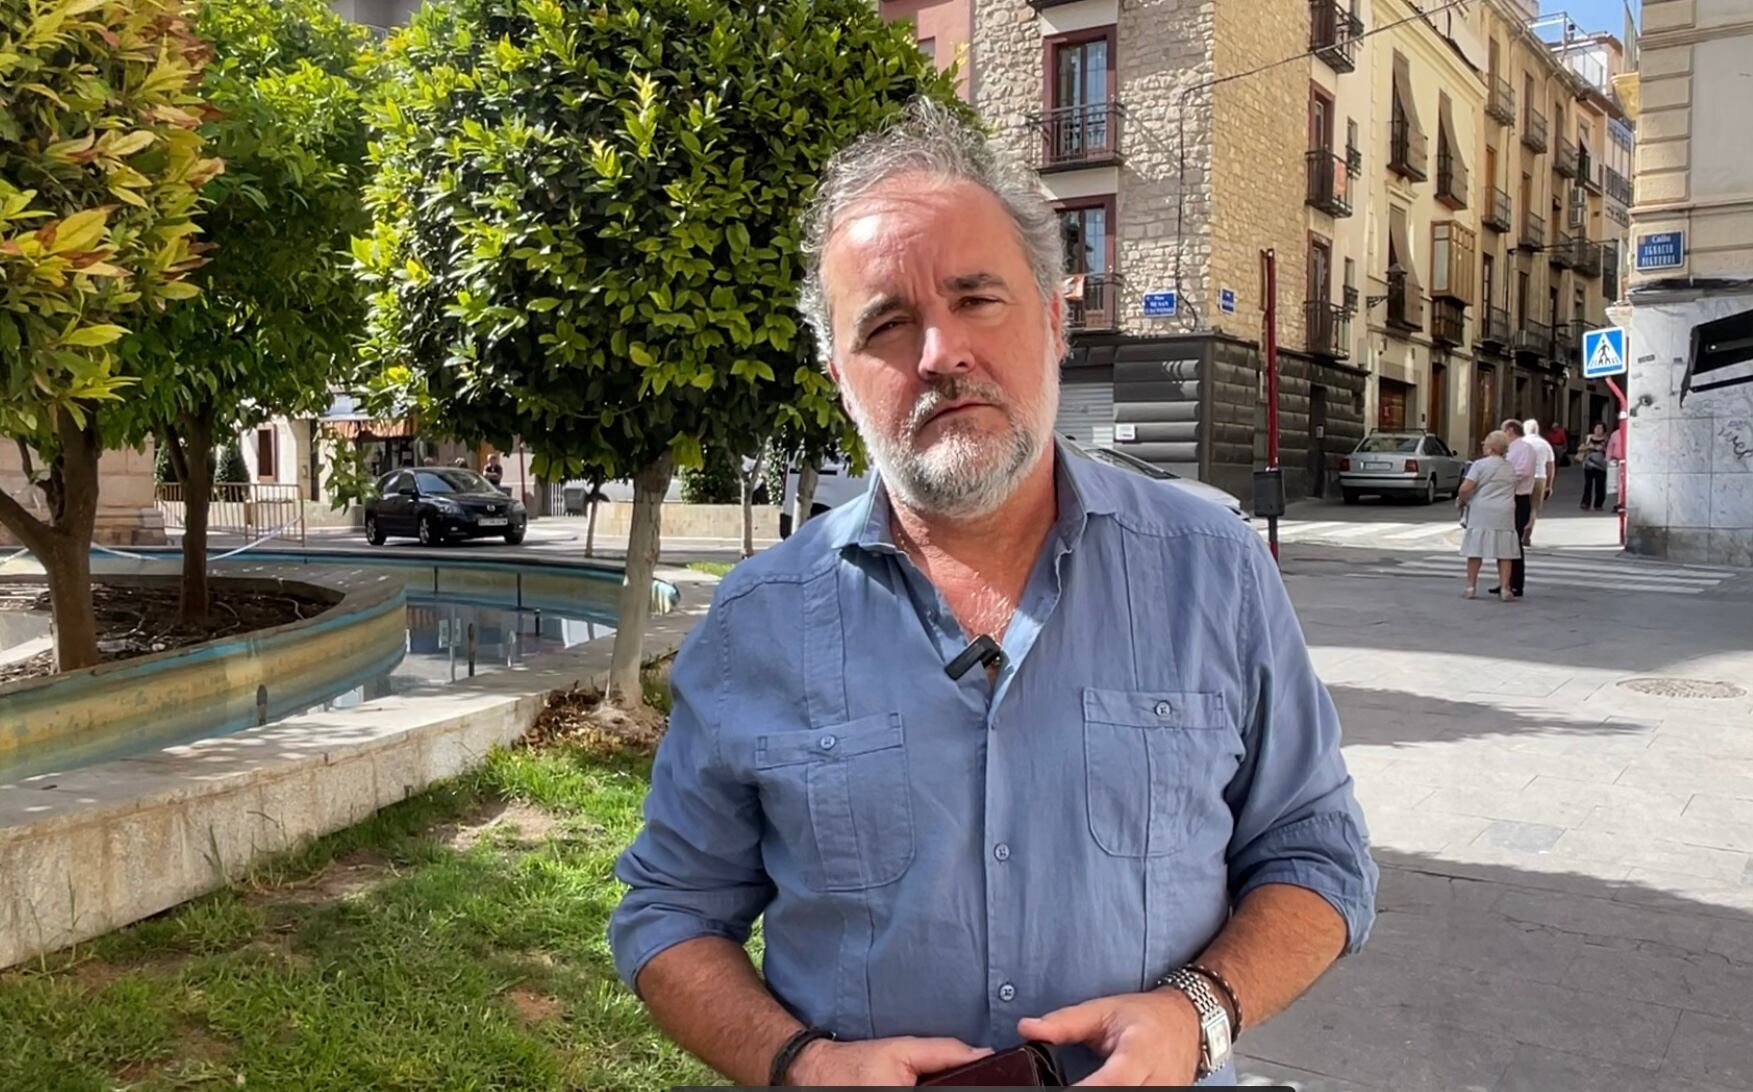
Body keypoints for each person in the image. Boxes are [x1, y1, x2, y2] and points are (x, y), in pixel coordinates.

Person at [609, 100, 1376, 1089]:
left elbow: (1316, 854)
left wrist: (1199, 1015)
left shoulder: (1211, 569)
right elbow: (667, 910)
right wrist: (797, 1063)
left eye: (978, 299)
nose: (939, 352)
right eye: (886, 323)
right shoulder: (757, 622)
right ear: (839, 375)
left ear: (1054, 320)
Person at [1457, 431, 1520, 602]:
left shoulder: (1480, 465)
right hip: (1505, 510)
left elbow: (1465, 488)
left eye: (1485, 444)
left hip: (1482, 510)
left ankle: (1471, 586)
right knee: (1505, 552)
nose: (1483, 446)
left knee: (1476, 550)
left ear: (1491, 448)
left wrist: (1461, 501)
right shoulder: (1509, 467)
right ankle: (1505, 588)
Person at [1493, 419, 1537, 599]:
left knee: (1513, 541)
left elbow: (1522, 471)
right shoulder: (1508, 449)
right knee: (1503, 541)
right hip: (1506, 496)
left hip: (1518, 497)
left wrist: (1503, 477)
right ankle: (1505, 581)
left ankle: (1516, 584)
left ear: (1510, 431)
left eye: (1503, 431)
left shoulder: (1524, 448)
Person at [1520, 418, 1555, 543]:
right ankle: (1527, 536)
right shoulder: (1545, 444)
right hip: (1540, 477)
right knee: (1533, 508)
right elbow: (1550, 466)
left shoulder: (1521, 442)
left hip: (1522, 477)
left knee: (1519, 506)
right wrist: (1549, 486)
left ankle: (1519, 532)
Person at [1579, 423, 1609, 511]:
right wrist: (1589, 447)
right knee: (1588, 485)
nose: (1598, 430)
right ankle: (1585, 503)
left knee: (1600, 485)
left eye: (1600, 428)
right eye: (1596, 428)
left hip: (1601, 465)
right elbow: (1581, 447)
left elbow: (1609, 450)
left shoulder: (1606, 439)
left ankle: (1598, 504)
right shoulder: (1588, 437)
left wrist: (1603, 449)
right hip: (1588, 464)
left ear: (1604, 430)